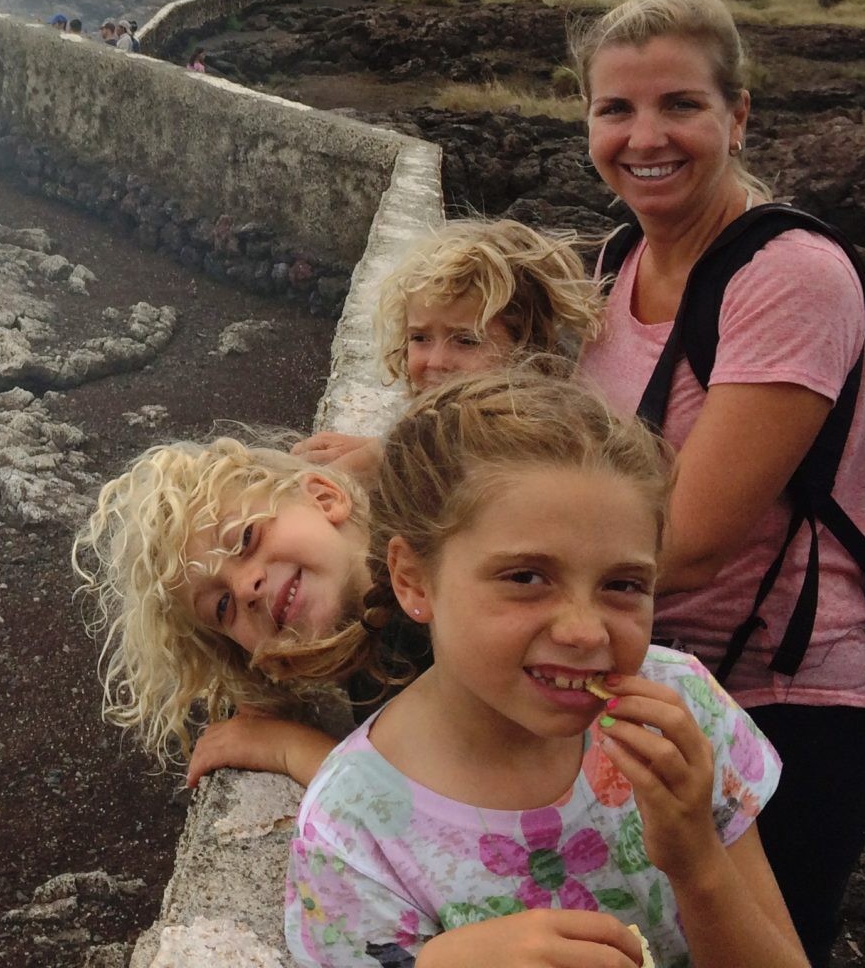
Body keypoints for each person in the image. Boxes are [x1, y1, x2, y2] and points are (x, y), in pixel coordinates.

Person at [571, 0, 865, 966]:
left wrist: (478, 600)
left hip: (785, 707)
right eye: (613, 108)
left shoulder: (787, 273)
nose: (643, 136)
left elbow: (694, 541)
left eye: (679, 105)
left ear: (736, 115)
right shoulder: (615, 258)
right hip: (650, 683)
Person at [284, 369, 803, 968]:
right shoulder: (353, 836)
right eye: (526, 577)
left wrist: (698, 863)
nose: (585, 631)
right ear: (412, 578)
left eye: (623, 584)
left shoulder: (681, 708)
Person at [74, 437, 394, 789]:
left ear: (324, 498)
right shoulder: (387, 655)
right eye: (222, 606)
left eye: (245, 538)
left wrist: (288, 748)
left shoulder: (439, 604)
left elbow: (414, 817)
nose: (244, 589)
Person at [294, 218, 605, 482]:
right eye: (419, 338)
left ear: (528, 348)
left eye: (467, 341)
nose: (436, 362)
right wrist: (381, 448)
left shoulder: (528, 452)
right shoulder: (453, 426)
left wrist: (378, 460)